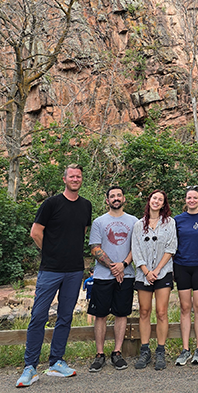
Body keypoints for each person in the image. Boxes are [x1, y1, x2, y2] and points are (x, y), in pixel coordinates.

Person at [16, 164, 92, 388]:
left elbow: (81, 233)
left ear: (81, 179)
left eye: (78, 176)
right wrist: (50, 253)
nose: (75, 179)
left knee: (65, 316)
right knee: (39, 316)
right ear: (64, 179)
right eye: (72, 176)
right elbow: (35, 232)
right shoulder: (51, 203)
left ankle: (57, 361)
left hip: (74, 270)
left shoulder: (86, 205)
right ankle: (30, 367)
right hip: (50, 269)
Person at [88, 186, 138, 373]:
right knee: (100, 314)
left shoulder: (134, 221)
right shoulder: (99, 222)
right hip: (102, 276)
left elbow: (136, 246)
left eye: (118, 195)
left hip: (126, 274)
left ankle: (117, 352)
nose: (116, 198)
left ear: (124, 198)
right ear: (107, 200)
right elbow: (94, 247)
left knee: (121, 313)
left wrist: (123, 265)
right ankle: (99, 354)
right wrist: (112, 267)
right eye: (112, 196)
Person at [131, 190, 177, 371]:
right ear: (149, 201)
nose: (156, 201)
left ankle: (160, 351)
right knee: (144, 311)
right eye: (154, 198)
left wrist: (157, 270)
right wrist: (146, 271)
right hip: (144, 274)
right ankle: (144, 350)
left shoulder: (169, 223)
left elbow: (171, 247)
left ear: (164, 203)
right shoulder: (138, 225)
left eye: (160, 199)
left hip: (163, 272)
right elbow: (136, 250)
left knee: (161, 312)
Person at [173, 187, 198, 366]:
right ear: (185, 199)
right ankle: (185, 349)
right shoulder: (177, 220)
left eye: (194, 197)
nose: (191, 200)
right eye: (189, 197)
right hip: (182, 266)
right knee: (185, 307)